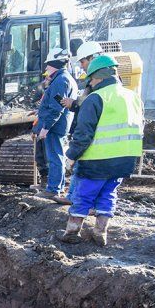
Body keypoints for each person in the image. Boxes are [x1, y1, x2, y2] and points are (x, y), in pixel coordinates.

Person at [59, 55, 143, 246]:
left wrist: (71, 156)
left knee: (84, 195)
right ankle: (100, 232)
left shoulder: (96, 98)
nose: (90, 83)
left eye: (91, 80)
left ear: (97, 78)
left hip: (96, 160)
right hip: (124, 160)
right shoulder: (133, 97)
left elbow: (83, 134)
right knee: (108, 194)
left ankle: (72, 232)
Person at [55, 41, 104, 205]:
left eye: (83, 62)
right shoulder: (93, 82)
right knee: (80, 168)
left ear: (93, 58)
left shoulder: (99, 83)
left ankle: (84, 202)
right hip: (89, 131)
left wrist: (74, 104)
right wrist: (74, 104)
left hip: (94, 134)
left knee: (87, 170)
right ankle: (72, 197)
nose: (82, 66)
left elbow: (89, 105)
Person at [33, 48, 78, 199]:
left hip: (55, 127)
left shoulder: (61, 80)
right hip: (58, 125)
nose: (46, 68)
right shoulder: (63, 78)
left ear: (55, 64)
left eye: (48, 65)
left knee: (55, 158)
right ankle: (55, 187)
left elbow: (56, 108)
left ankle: (53, 189)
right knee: (55, 156)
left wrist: (46, 127)